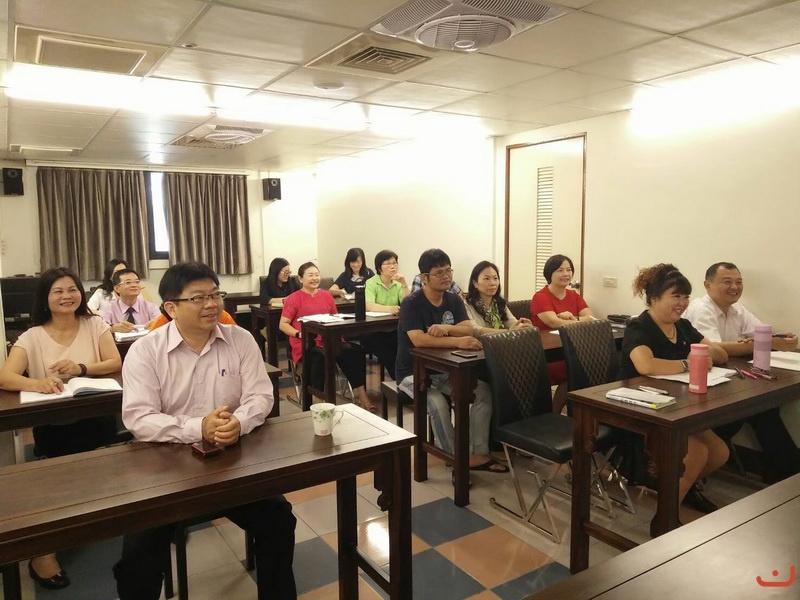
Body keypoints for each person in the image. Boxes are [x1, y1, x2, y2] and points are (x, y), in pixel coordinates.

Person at [114, 261, 296, 600]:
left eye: (215, 295)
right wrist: (199, 427)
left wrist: (239, 422)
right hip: (166, 468)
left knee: (278, 519)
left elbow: (260, 396)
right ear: (171, 308)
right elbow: (138, 418)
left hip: (231, 462)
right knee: (140, 547)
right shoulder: (145, 351)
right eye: (198, 298)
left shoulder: (240, 339)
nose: (211, 304)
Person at [0, 267, 122, 591]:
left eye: (72, 289)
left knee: (99, 470)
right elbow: (6, 377)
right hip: (55, 425)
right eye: (58, 291)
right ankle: (43, 552)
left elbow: (114, 362)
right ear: (45, 298)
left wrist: (81, 368)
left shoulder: (95, 324)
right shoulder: (32, 336)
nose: (67, 296)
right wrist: (38, 383)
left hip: (96, 416)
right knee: (57, 483)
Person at [620, 264, 730, 533]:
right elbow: (645, 365)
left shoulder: (682, 326)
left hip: (677, 408)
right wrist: (688, 364)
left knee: (719, 452)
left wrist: (706, 355)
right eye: (676, 296)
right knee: (697, 453)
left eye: (685, 297)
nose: (682, 303)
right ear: (654, 298)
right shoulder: (639, 327)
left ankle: (684, 488)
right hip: (641, 411)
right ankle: (664, 519)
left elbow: (720, 354)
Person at [684, 262, 800, 483]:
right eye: (727, 282)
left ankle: (786, 474)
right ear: (708, 285)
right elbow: (714, 349)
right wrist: (764, 343)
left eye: (738, 282)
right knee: (760, 409)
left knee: (765, 408)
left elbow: (761, 334)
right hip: (705, 383)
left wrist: (780, 339)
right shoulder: (701, 309)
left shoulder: (737, 309)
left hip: (728, 377)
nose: (734, 287)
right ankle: (788, 473)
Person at [396, 249, 508, 473]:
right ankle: (454, 457)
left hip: (445, 370)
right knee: (437, 403)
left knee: (483, 393)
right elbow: (419, 339)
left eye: (448, 271)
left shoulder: (453, 299)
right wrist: (457, 341)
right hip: (412, 372)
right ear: (424, 278)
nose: (446, 276)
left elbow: (467, 328)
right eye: (439, 273)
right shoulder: (412, 302)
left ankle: (477, 452)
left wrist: (447, 329)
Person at [279, 262, 376, 412]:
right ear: (300, 279)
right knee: (319, 357)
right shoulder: (293, 298)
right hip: (306, 343)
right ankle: (319, 401)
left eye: (317, 275)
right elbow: (283, 324)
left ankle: (362, 396)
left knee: (353, 353)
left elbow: (335, 317)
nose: (315, 278)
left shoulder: (326, 295)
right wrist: (299, 334)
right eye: (310, 275)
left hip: (330, 340)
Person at [530, 254, 593, 414]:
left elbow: (590, 318)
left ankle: (573, 415)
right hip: (547, 354)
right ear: (549, 274)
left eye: (569, 270)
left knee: (588, 367)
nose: (566, 274)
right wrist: (578, 321)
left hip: (570, 349)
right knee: (574, 371)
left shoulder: (574, 295)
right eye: (560, 270)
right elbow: (553, 322)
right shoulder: (540, 297)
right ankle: (554, 413)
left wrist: (573, 318)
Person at [360, 250, 409, 379]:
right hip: (373, 331)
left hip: (393, 329)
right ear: (379, 268)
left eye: (394, 263)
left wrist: (404, 284)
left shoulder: (398, 283)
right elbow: (369, 306)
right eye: (387, 263)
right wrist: (390, 309)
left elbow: (407, 304)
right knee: (390, 352)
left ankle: (410, 380)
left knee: (407, 348)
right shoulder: (371, 283)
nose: (392, 266)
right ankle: (400, 380)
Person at [464, 260, 533, 336]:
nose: (492, 283)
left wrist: (524, 327)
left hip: (500, 341)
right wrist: (508, 331)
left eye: (495, 278)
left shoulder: (498, 302)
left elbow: (512, 322)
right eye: (487, 279)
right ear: (475, 283)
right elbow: (475, 330)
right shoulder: (467, 305)